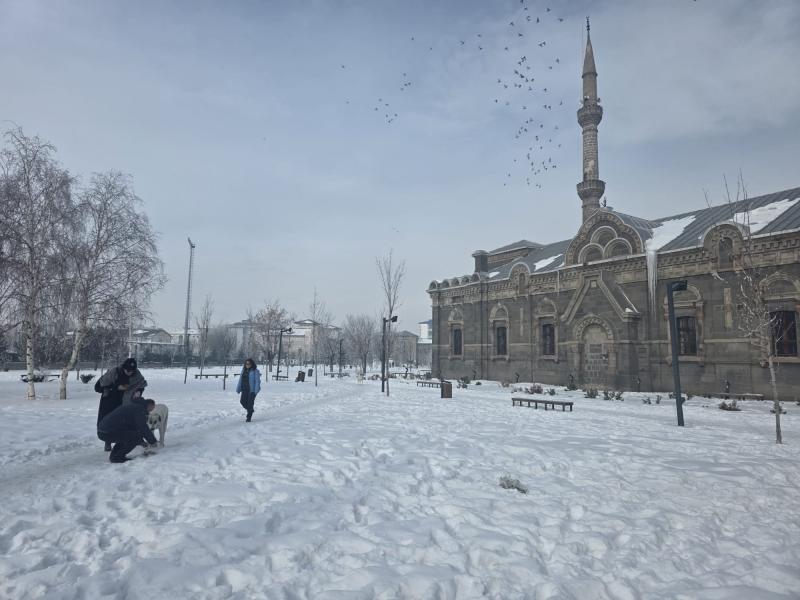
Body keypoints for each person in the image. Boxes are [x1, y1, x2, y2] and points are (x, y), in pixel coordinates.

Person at [94, 358, 148, 451]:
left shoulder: (137, 375)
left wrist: (139, 391)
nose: (129, 372)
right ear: (123, 368)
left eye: (132, 371)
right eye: (127, 370)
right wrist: (116, 387)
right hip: (110, 401)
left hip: (126, 401)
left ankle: (130, 440)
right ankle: (108, 442)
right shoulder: (114, 372)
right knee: (109, 421)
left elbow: (141, 384)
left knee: (127, 421)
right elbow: (98, 387)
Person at [97, 397, 158, 463]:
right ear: (149, 405)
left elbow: (134, 428)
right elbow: (142, 427)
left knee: (127, 436)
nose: (150, 411)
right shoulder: (139, 409)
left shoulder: (132, 406)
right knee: (135, 437)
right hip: (108, 432)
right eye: (152, 408)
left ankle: (114, 456)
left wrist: (141, 442)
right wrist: (152, 441)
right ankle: (118, 457)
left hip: (102, 431)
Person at [236, 358, 261, 422]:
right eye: (246, 364)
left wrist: (256, 391)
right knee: (242, 402)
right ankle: (250, 410)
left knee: (250, 404)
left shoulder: (255, 371)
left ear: (252, 364)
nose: (247, 365)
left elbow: (257, 381)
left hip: (252, 390)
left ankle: (249, 417)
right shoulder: (243, 370)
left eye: (249, 364)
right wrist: (238, 388)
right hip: (244, 389)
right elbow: (240, 380)